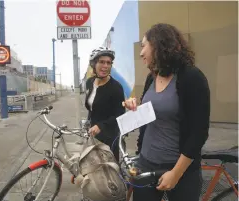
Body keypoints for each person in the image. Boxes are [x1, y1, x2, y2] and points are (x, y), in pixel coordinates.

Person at [123, 23, 210, 201]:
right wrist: (134, 108)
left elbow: (199, 133)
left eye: (143, 46)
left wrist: (176, 174)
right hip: (146, 163)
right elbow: (155, 113)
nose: (141, 53)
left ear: (158, 45)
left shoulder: (192, 77)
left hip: (179, 171)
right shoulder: (151, 77)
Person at [85, 46, 125, 162]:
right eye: (101, 62)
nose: (105, 66)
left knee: (109, 172)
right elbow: (91, 109)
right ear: (93, 64)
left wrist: (101, 126)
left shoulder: (116, 87)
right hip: (93, 134)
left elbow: (120, 114)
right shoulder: (89, 83)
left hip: (109, 136)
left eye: (109, 63)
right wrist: (88, 123)